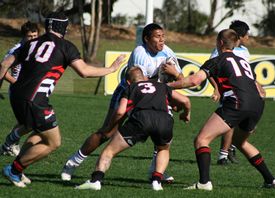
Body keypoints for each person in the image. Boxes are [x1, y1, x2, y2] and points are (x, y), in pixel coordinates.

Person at [0, 11, 126, 188]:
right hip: (35, 100)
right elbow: (84, 71)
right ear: (64, 27)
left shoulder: (31, 43)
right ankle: (13, 170)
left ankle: (18, 169)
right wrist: (112, 69)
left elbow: (5, 63)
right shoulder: (66, 46)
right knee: (53, 142)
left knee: (38, 133)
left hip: (17, 96)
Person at [61, 23, 184, 183]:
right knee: (107, 132)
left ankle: (156, 171)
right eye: (157, 36)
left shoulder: (167, 52)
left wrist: (175, 74)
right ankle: (72, 163)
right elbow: (141, 84)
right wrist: (165, 86)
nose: (162, 40)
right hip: (129, 93)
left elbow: (182, 80)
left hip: (153, 94)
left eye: (163, 36)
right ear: (146, 39)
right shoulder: (141, 53)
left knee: (160, 130)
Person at [168, 29, 275, 190]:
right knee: (240, 142)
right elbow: (257, 87)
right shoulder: (243, 62)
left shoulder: (217, 60)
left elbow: (194, 81)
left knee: (202, 140)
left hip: (237, 102)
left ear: (220, 42)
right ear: (235, 43)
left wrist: (165, 86)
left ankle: (204, 183)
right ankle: (271, 180)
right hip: (257, 104)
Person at [75, 66, 191, 191]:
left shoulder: (130, 88)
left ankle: (96, 180)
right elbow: (185, 100)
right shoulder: (161, 86)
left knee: (109, 151)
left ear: (128, 81)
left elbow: (120, 112)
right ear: (144, 77)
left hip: (141, 119)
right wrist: (186, 114)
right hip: (164, 120)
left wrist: (110, 126)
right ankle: (157, 182)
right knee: (163, 149)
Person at [210, 20, 265, 165]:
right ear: (240, 36)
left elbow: (247, 73)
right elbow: (210, 72)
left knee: (246, 123)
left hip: (245, 93)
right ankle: (223, 154)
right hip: (230, 91)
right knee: (230, 123)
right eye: (248, 35)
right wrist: (217, 89)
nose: (249, 38)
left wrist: (257, 85)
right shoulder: (219, 51)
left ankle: (232, 147)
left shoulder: (244, 51)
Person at [0, 21, 40, 157]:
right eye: (30, 36)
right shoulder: (17, 50)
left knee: (25, 122)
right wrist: (16, 82)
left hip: (31, 90)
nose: (33, 38)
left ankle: (10, 145)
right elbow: (2, 68)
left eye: (35, 35)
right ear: (24, 36)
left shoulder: (37, 48)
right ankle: (9, 144)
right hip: (18, 91)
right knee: (30, 122)